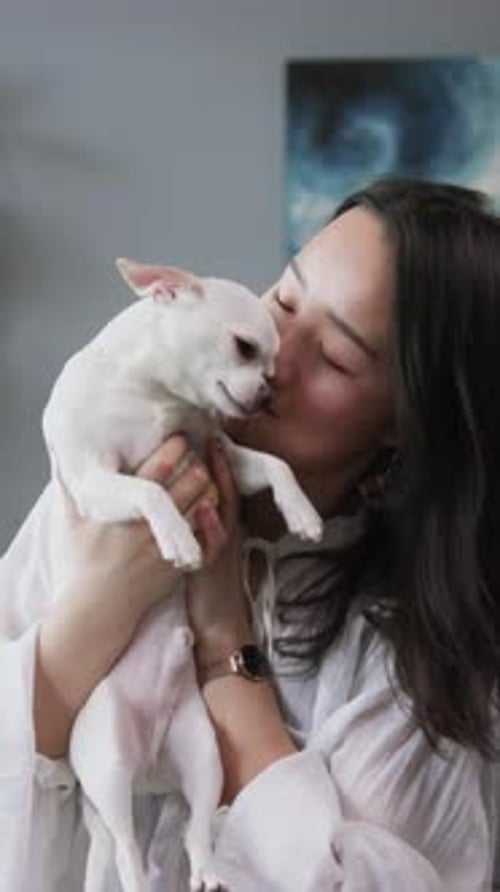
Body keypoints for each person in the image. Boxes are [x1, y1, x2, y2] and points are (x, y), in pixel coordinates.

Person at [0, 177, 497, 891]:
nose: (274, 354)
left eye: (334, 357)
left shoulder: (416, 669)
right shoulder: (99, 489)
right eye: (284, 300)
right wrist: (100, 606)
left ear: (405, 425)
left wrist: (225, 639)